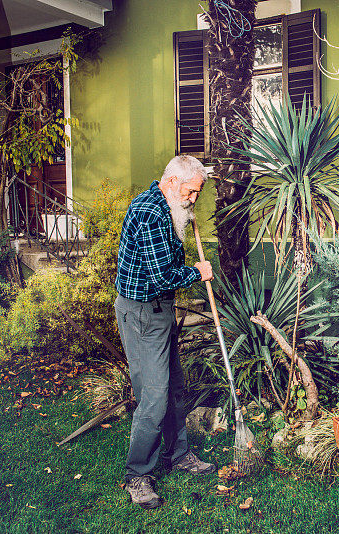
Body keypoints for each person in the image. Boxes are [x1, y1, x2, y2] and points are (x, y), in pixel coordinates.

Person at [114, 155, 216, 510]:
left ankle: (178, 454)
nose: (192, 199)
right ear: (172, 182)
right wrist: (198, 272)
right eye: (190, 192)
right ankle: (138, 474)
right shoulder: (152, 212)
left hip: (159, 311)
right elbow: (161, 278)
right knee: (154, 396)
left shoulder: (166, 206)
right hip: (143, 314)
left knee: (173, 387)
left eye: (196, 194)